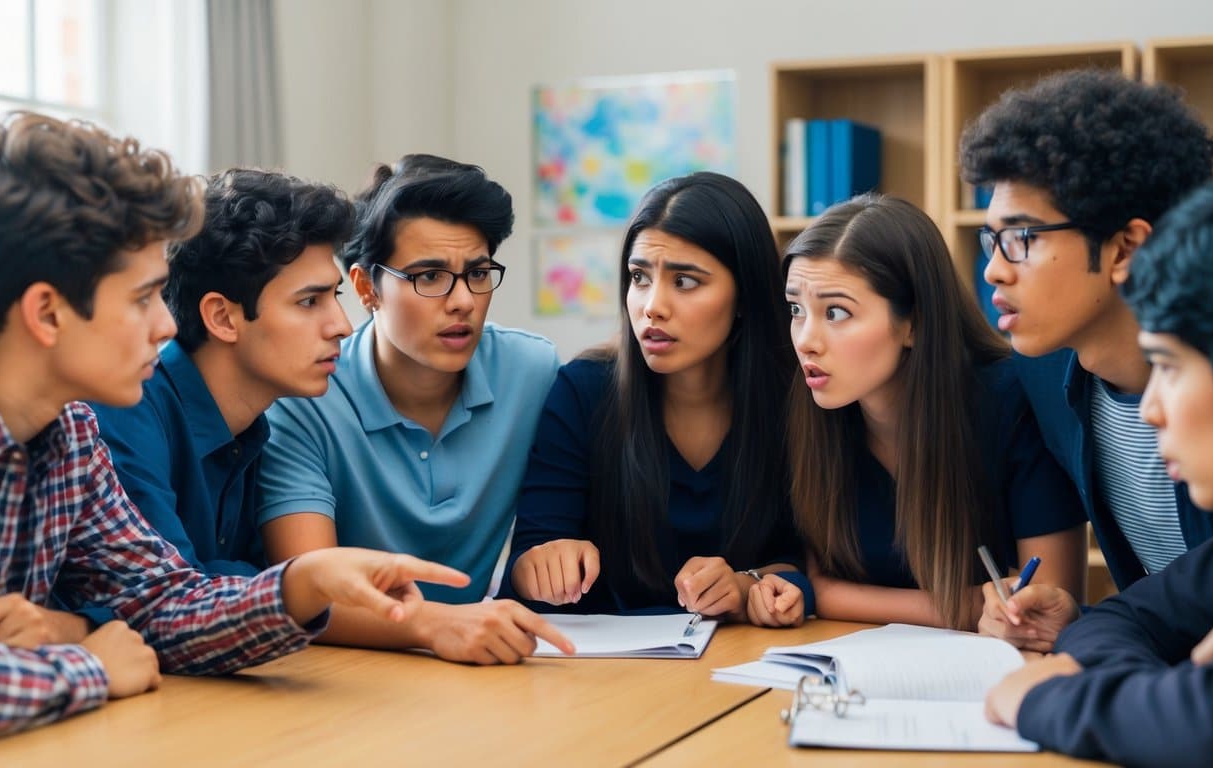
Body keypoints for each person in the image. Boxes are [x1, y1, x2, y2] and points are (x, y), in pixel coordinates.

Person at [0, 114, 468, 750]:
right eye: (143, 297)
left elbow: (160, 605)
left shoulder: (69, 433)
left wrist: (301, 583)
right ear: (47, 311)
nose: (166, 327)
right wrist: (92, 665)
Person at [960, 69, 1213, 649]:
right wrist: (1081, 622)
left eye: (1022, 239)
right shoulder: (1040, 376)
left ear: (1125, 249)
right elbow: (1169, 610)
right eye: (991, 241)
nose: (993, 269)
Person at [257, 154, 573, 665]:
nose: (462, 301)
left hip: (484, 663)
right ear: (364, 288)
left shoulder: (532, 371)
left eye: (477, 273)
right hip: (351, 674)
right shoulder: (305, 399)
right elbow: (308, 589)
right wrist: (436, 625)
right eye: (429, 277)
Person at [984, 172, 1213, 768]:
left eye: (1171, 367)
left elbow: (1210, 726)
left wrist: (1057, 697)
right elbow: (1134, 616)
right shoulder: (1039, 378)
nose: (1151, 409)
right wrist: (1160, 688)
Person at [504, 172, 810, 627]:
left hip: (746, 665)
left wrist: (749, 586)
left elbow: (813, 565)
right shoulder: (583, 391)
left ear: (745, 295)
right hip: (605, 677)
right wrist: (544, 566)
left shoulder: (795, 402)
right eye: (639, 277)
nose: (651, 306)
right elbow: (527, 568)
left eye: (685, 282)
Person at [784, 194, 1086, 631]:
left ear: (914, 324)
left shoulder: (1013, 401)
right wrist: (966, 607)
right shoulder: (815, 408)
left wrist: (839, 598)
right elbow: (816, 586)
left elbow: (1051, 602)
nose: (806, 340)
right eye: (796, 310)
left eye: (835, 312)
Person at [88, 169, 354, 578]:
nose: (342, 326)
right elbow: (168, 595)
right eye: (308, 301)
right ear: (222, 318)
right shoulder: (127, 409)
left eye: (334, 296)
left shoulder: (253, 429)